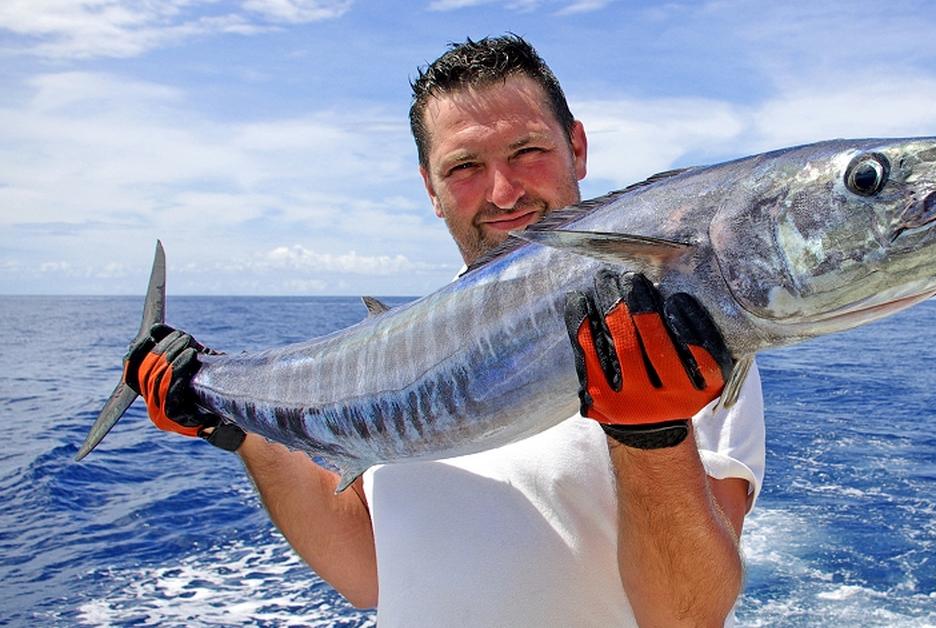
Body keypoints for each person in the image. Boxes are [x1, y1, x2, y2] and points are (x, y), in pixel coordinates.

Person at [126, 35, 766, 627]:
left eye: (528, 151)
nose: (504, 190)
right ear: (431, 189)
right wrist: (236, 430)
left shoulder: (687, 344)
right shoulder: (397, 355)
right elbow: (367, 573)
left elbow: (686, 617)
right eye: (464, 166)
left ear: (577, 146)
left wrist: (651, 435)